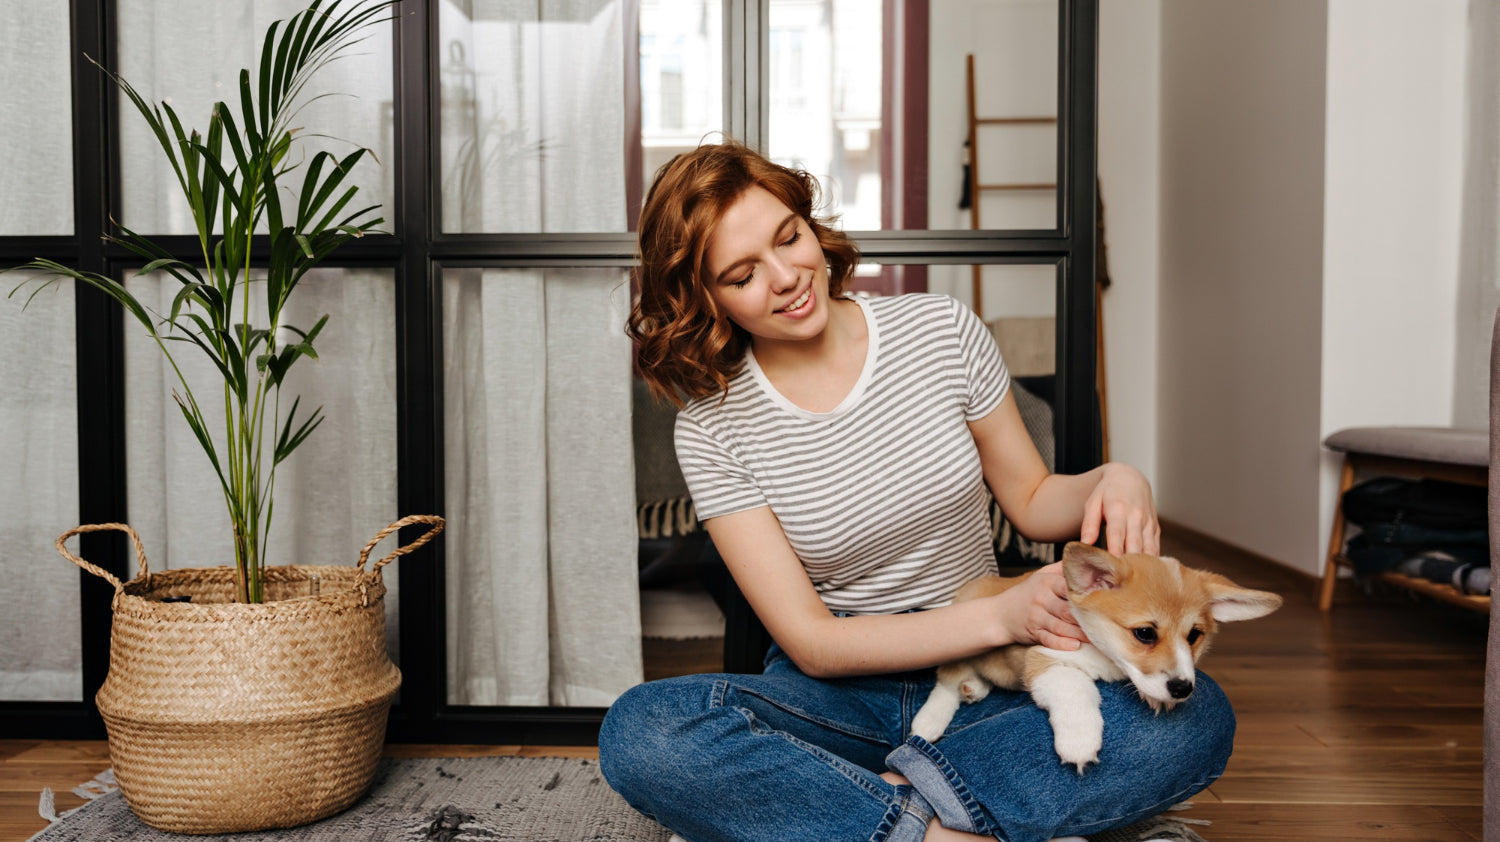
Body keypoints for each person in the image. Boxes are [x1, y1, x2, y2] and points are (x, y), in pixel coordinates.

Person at [600, 138, 1233, 842]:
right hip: (839, 693)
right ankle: (949, 822)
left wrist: (1117, 477)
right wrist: (1005, 616)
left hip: (988, 679)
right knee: (643, 732)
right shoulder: (712, 428)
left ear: (811, 225)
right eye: (743, 274)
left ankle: (873, 807)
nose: (785, 277)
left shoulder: (940, 329)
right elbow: (811, 644)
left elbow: (1032, 498)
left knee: (1197, 719)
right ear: (706, 299)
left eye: (789, 237)